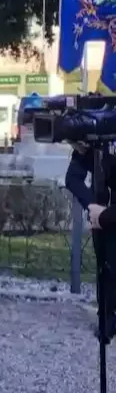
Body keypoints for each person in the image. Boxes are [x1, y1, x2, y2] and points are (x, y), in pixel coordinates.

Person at [70, 142, 116, 340]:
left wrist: (104, 215)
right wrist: (95, 210)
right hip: (105, 221)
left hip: (108, 218)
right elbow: (72, 177)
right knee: (105, 269)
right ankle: (106, 318)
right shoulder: (102, 138)